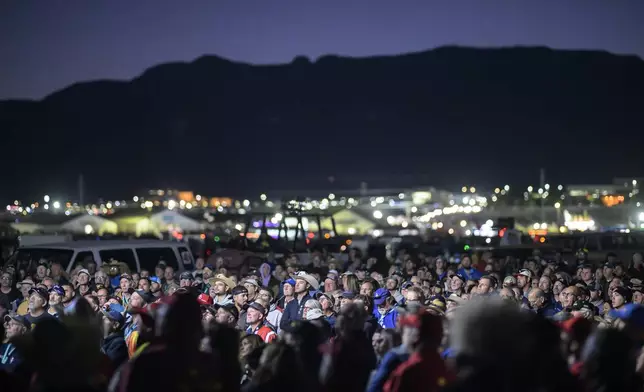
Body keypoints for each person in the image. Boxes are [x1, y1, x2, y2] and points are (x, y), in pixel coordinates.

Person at [384, 311, 454, 392]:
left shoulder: (408, 372)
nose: (403, 336)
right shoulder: (448, 369)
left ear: (416, 337)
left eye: (405, 332)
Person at [101, 303, 128, 369]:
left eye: (106, 319)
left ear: (115, 325)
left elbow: (108, 366)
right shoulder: (102, 340)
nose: (102, 319)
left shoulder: (118, 343)